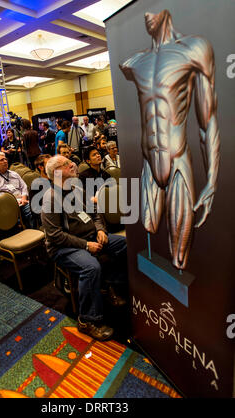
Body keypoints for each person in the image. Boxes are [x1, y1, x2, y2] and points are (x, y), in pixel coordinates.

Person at [119, 9, 220, 270]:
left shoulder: (194, 50)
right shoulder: (134, 61)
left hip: (177, 161)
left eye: (152, 9)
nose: (145, 15)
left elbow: (207, 122)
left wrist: (211, 180)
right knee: (148, 226)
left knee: (179, 259)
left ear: (165, 12)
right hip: (148, 163)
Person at [41, 155, 128, 341]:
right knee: (91, 267)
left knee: (123, 244)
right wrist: (86, 245)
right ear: (57, 173)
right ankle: (87, 320)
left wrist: (101, 230)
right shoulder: (50, 199)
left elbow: (94, 213)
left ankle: (108, 284)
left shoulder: (77, 187)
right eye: (66, 164)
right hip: (64, 247)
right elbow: (55, 236)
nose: (73, 164)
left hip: (89, 236)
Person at [0, 152, 35, 229]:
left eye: (5, 159)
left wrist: (24, 198)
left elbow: (24, 186)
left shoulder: (14, 174)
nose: (5, 161)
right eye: (1, 160)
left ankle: (34, 232)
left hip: (22, 201)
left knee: (32, 212)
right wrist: (13, 202)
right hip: (6, 205)